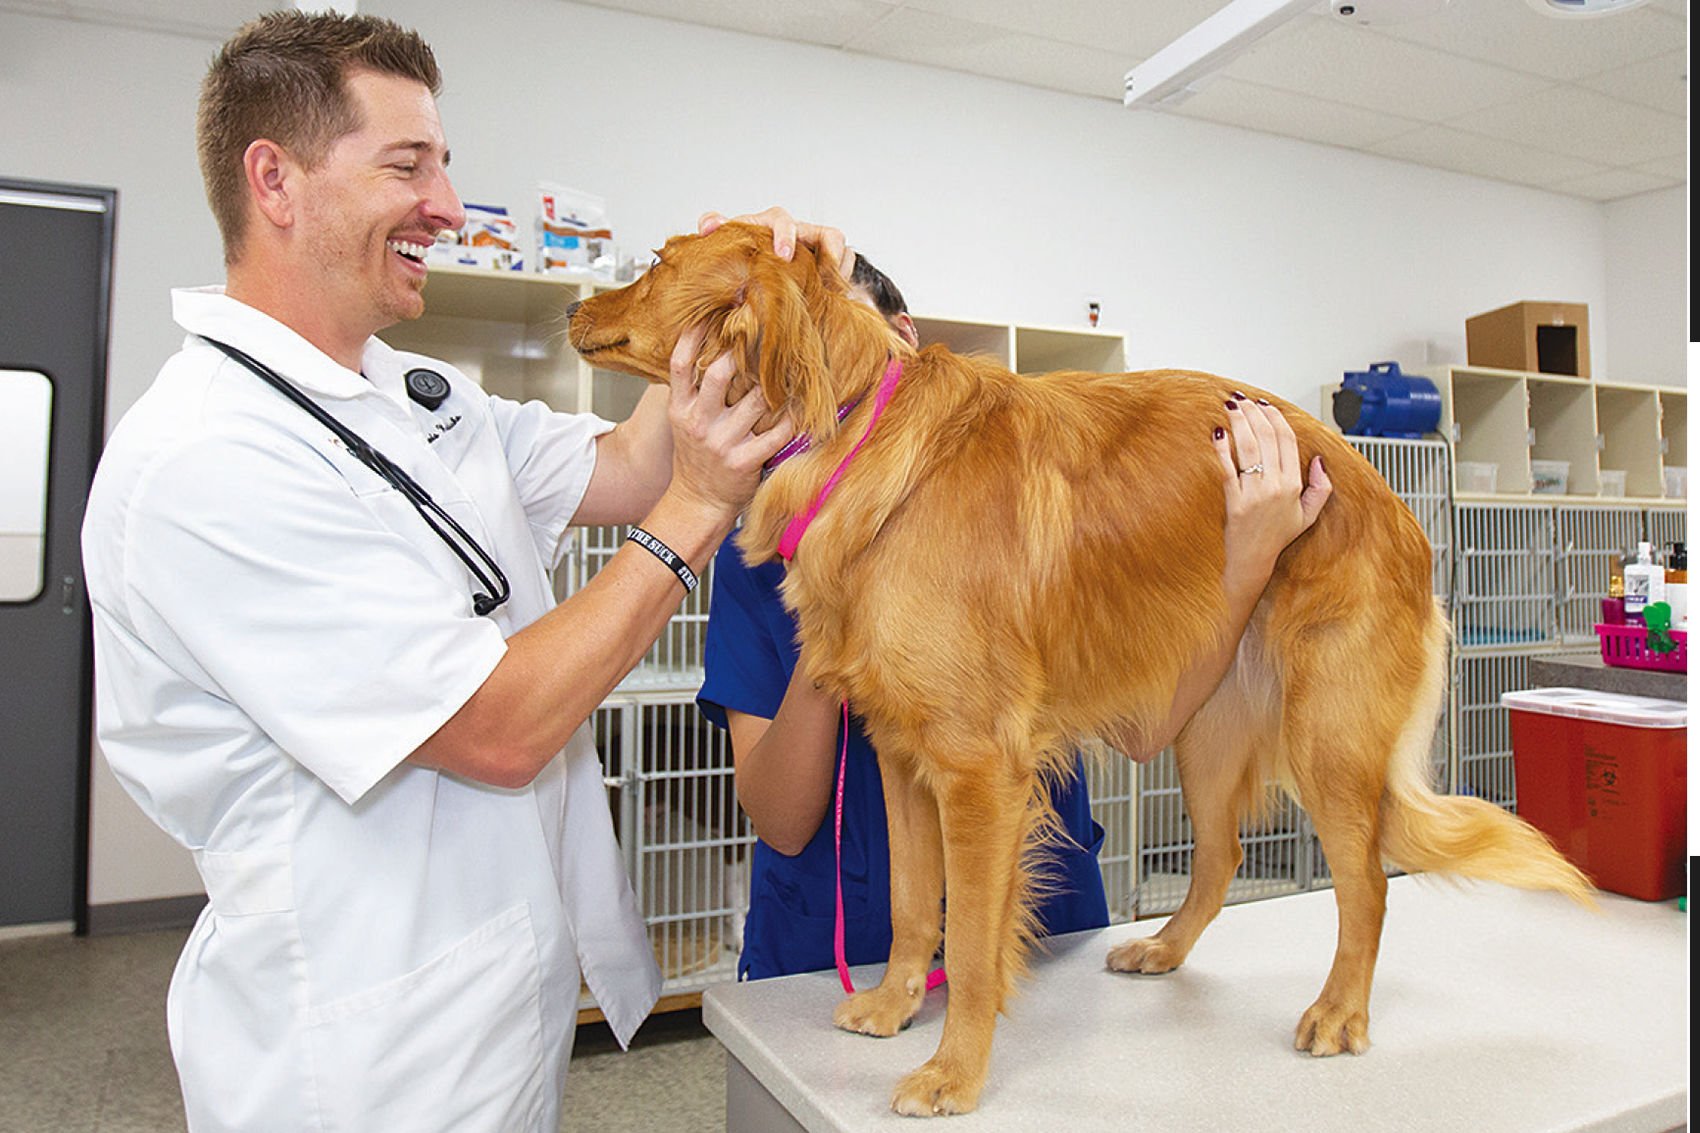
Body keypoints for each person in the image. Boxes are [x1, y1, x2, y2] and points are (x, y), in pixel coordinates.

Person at [79, 11, 839, 1132]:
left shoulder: (412, 397)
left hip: (498, 999)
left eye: (444, 162)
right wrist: (694, 516)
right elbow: (493, 727)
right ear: (274, 180)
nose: (445, 202)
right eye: (407, 164)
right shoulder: (206, 459)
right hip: (360, 1050)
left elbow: (633, 463)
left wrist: (723, 300)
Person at [697, 254, 1333, 981]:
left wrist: (1245, 567)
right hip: (823, 962)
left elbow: (1141, 729)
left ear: (903, 341)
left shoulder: (1026, 494)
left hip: (1045, 948)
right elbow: (779, 818)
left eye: (842, 337)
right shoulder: (759, 555)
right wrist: (842, 600)